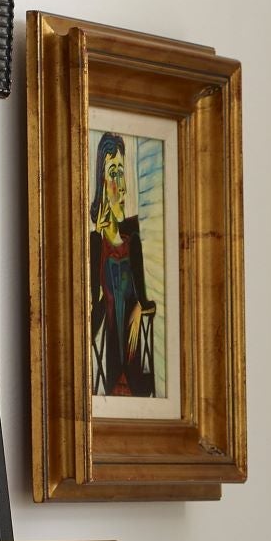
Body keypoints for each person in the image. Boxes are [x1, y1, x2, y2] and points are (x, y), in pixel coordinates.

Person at [89, 132, 158, 397]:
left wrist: (140, 308)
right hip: (109, 356)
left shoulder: (133, 239)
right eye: (113, 173)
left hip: (134, 351)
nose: (119, 183)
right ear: (102, 181)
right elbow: (94, 301)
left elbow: (145, 299)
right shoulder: (95, 243)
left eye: (121, 172)